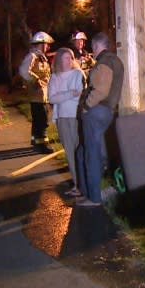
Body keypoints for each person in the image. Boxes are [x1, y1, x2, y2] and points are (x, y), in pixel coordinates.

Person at [75, 32, 124, 207]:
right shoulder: (115, 60)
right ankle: (87, 191)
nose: (92, 51)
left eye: (93, 48)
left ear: (96, 46)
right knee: (85, 152)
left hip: (96, 111)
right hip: (106, 111)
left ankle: (93, 197)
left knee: (90, 154)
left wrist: (86, 107)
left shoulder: (105, 62)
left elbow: (101, 90)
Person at [48, 48, 86, 197]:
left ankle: (83, 183)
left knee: (79, 150)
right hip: (62, 118)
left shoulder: (78, 74)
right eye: (65, 58)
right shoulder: (55, 77)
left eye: (70, 58)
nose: (69, 61)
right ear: (58, 60)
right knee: (69, 152)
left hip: (75, 116)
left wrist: (63, 95)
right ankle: (77, 184)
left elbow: (80, 94)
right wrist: (70, 93)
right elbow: (52, 98)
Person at [19, 31, 54, 153]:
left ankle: (35, 141)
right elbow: (24, 71)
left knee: (38, 120)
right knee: (42, 120)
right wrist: (36, 79)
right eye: (46, 44)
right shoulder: (33, 56)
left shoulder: (40, 57)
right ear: (41, 44)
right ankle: (42, 144)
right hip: (38, 95)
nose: (48, 47)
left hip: (41, 95)